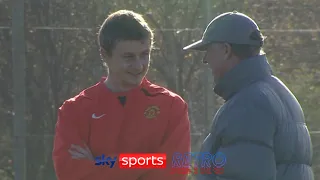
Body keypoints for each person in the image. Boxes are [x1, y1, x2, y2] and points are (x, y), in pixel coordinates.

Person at [52, 9, 191, 180]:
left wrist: (100, 162)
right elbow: (70, 173)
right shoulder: (74, 110)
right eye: (128, 57)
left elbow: (173, 171)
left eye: (144, 55)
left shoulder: (172, 106)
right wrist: (150, 161)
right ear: (104, 54)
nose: (138, 65)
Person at [183, 11, 314, 180]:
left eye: (208, 50)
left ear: (226, 50)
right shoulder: (280, 93)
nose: (205, 60)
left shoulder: (248, 104)